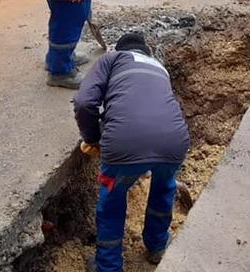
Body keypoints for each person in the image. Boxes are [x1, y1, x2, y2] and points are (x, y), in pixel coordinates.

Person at [74, 32, 190, 272]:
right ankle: (157, 246)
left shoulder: (112, 59)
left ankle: (108, 266)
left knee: (112, 203)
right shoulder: (159, 67)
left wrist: (93, 138)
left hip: (124, 144)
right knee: (164, 187)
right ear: (146, 52)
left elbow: (84, 102)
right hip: (174, 142)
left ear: (119, 49)